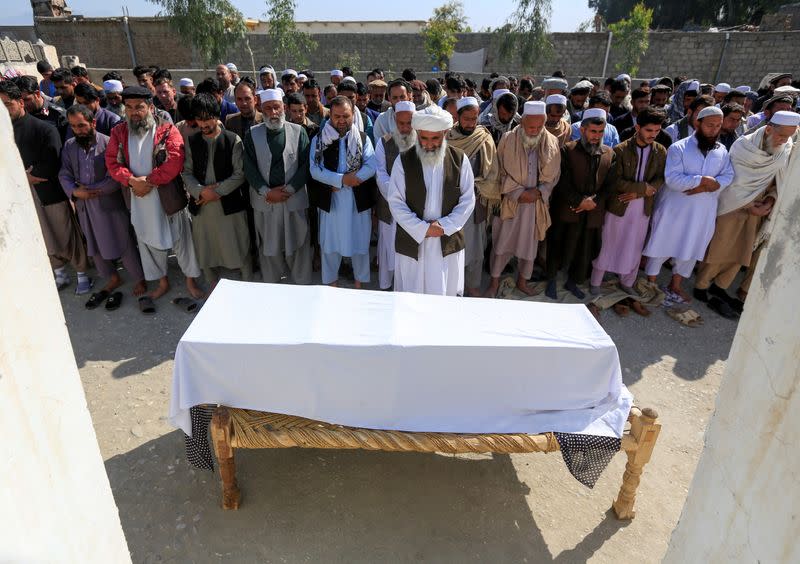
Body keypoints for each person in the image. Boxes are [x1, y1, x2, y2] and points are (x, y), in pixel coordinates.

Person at [106, 86, 203, 313]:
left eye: (139, 107)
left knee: (182, 239)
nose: (134, 112)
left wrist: (147, 181)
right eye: (128, 108)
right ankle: (162, 281)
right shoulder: (119, 132)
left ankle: (190, 280)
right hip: (138, 198)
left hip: (166, 196)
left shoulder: (167, 130)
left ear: (150, 107)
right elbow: (112, 163)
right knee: (146, 241)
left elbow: (175, 160)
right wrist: (131, 181)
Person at [694, 111, 798, 317]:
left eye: (788, 137)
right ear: (769, 129)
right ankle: (702, 286)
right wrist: (749, 204)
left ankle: (721, 286)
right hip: (733, 205)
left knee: (743, 251)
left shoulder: (785, 150)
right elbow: (733, 180)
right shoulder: (743, 146)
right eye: (780, 135)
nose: (783, 141)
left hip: (760, 207)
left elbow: (781, 180)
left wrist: (769, 200)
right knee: (720, 247)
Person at [1, 80, 91, 294]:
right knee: (42, 236)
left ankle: (81, 274)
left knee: (66, 233)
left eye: (8, 104)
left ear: (21, 102)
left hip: (51, 192)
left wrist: (27, 176)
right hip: (24, 196)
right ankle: (59, 273)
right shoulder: (4, 132)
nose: (4, 111)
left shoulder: (43, 129)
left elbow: (53, 162)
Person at [642, 106, 735, 303]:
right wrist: (703, 180)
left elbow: (728, 176)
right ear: (697, 123)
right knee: (662, 244)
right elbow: (673, 180)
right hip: (675, 209)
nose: (714, 129)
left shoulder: (722, 151)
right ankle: (651, 283)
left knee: (691, 247)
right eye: (710, 125)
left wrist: (707, 186)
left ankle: (675, 285)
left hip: (702, 212)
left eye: (718, 126)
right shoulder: (679, 148)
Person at [58, 104, 146, 304]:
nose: (78, 130)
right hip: (84, 207)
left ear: (93, 123)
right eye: (73, 126)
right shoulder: (70, 145)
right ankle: (113, 277)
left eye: (81, 125)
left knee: (124, 242)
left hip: (109, 204)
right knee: (95, 246)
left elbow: (115, 176)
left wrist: (91, 191)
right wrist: (74, 191)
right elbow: (64, 173)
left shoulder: (108, 143)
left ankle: (139, 278)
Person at [387, 105, 476, 296]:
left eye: (435, 138)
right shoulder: (403, 161)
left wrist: (444, 226)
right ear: (417, 133)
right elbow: (396, 202)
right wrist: (423, 228)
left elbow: (468, 201)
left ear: (444, 133)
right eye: (424, 138)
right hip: (413, 239)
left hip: (447, 239)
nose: (429, 144)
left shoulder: (459, 160)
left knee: (444, 295)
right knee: (411, 298)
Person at [486, 100, 561, 298]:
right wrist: (518, 192)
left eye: (539, 127)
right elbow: (499, 170)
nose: (535, 131)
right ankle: (494, 282)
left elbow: (554, 175)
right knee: (502, 245)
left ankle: (522, 281)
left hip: (535, 205)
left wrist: (539, 192)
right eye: (530, 127)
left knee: (530, 247)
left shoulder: (551, 142)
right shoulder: (508, 139)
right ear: (522, 122)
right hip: (512, 203)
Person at [590, 107, 668, 295]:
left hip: (642, 208)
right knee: (609, 242)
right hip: (619, 206)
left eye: (657, 131)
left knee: (634, 245)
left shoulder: (660, 151)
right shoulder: (621, 149)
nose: (653, 135)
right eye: (649, 130)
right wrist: (641, 189)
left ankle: (627, 281)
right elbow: (614, 180)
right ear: (638, 127)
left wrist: (639, 194)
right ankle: (596, 282)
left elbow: (660, 178)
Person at [182, 94, 252, 289]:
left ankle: (247, 283)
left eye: (206, 118)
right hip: (202, 205)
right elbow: (186, 172)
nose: (202, 123)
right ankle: (211, 282)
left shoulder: (232, 139)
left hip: (229, 205)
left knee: (238, 243)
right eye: (198, 119)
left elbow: (240, 174)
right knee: (205, 246)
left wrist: (217, 192)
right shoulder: (192, 140)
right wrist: (201, 191)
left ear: (216, 115)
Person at [243, 89, 313, 284]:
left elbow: (306, 165)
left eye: (276, 107)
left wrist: (289, 189)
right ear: (260, 109)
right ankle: (271, 287)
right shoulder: (251, 134)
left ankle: (302, 285)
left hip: (293, 199)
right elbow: (248, 167)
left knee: (298, 243)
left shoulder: (299, 132)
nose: (273, 112)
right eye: (268, 109)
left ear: (284, 107)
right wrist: (266, 192)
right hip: (266, 201)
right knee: (268, 246)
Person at [546, 108, 616, 300]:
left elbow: (610, 185)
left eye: (601, 132)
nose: (596, 136)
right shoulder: (567, 150)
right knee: (558, 246)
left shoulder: (609, 153)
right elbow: (561, 181)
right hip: (567, 209)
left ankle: (573, 281)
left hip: (592, 212)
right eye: (593, 131)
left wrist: (593, 202)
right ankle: (551, 280)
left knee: (584, 250)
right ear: (583, 130)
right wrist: (579, 201)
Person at [309, 96, 377, 288]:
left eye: (345, 116)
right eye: (336, 116)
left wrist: (351, 180)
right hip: (332, 203)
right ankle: (332, 287)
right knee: (330, 247)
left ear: (353, 116)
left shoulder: (362, 139)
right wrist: (340, 180)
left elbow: (372, 165)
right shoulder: (320, 139)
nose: (341, 120)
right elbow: (314, 169)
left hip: (357, 202)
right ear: (330, 115)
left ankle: (358, 287)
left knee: (360, 247)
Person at [446, 97, 498, 296]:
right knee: (454, 248)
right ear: (457, 117)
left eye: (474, 119)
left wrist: (474, 186)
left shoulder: (484, 137)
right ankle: (453, 286)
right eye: (466, 119)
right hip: (452, 203)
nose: (470, 123)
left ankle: (473, 285)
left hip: (477, 202)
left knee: (476, 249)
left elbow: (493, 171)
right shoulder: (447, 137)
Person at [374, 100, 417, 290]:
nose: (406, 128)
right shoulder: (384, 142)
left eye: (409, 123)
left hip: (415, 207)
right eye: (401, 123)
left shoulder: (425, 141)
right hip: (389, 206)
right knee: (388, 249)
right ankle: (386, 286)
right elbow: (380, 173)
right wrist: (397, 195)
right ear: (395, 121)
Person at [14, 74, 68, 141]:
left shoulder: (59, 115)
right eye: (19, 101)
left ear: (37, 94)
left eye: (26, 100)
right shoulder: (19, 116)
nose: (23, 104)